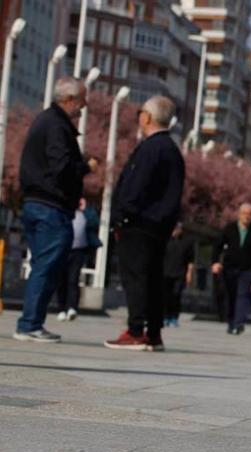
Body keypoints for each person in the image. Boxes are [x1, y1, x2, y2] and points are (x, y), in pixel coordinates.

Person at [14, 77, 97, 343]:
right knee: (47, 266)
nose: (83, 107)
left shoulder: (46, 121)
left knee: (43, 264)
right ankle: (29, 324)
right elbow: (61, 167)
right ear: (69, 100)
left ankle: (31, 322)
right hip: (50, 206)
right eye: (82, 100)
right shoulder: (56, 126)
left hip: (37, 203)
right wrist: (85, 167)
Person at [104, 95, 185, 352]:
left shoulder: (151, 148)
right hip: (158, 226)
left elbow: (135, 187)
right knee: (152, 278)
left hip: (139, 224)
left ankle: (136, 330)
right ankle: (153, 332)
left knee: (136, 277)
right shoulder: (171, 149)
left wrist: (123, 215)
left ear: (147, 117)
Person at [211, 203, 251, 335]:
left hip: (248, 270)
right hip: (230, 268)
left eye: (250, 214)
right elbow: (217, 246)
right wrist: (215, 262)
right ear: (239, 214)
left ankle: (238, 323)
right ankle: (231, 322)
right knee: (231, 296)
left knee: (243, 296)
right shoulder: (229, 228)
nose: (247, 217)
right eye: (244, 213)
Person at [56, 198, 100, 322]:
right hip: (64, 249)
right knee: (61, 280)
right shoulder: (64, 211)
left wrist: (85, 209)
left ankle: (72, 307)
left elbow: (95, 222)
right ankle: (61, 308)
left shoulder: (86, 213)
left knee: (73, 279)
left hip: (79, 251)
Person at [162, 222, 194, 328]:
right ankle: (165, 316)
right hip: (165, 272)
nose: (176, 231)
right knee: (166, 296)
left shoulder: (187, 241)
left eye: (178, 229)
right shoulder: (165, 240)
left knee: (176, 295)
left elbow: (190, 260)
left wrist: (189, 273)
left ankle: (174, 317)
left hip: (180, 273)